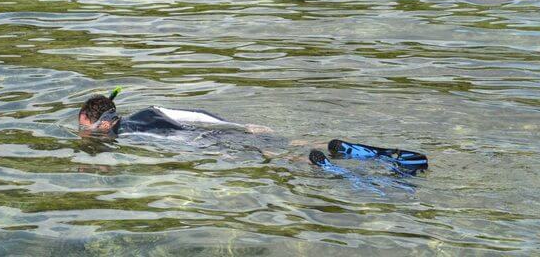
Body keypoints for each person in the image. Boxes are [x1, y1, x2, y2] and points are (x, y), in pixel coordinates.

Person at [77, 88, 428, 176]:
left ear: (104, 122)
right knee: (284, 142)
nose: (84, 135)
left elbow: (181, 146)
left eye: (85, 129)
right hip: (219, 135)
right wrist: (244, 126)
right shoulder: (150, 111)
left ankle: (320, 164)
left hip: (213, 148)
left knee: (276, 157)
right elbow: (199, 116)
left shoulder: (126, 139)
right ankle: (335, 147)